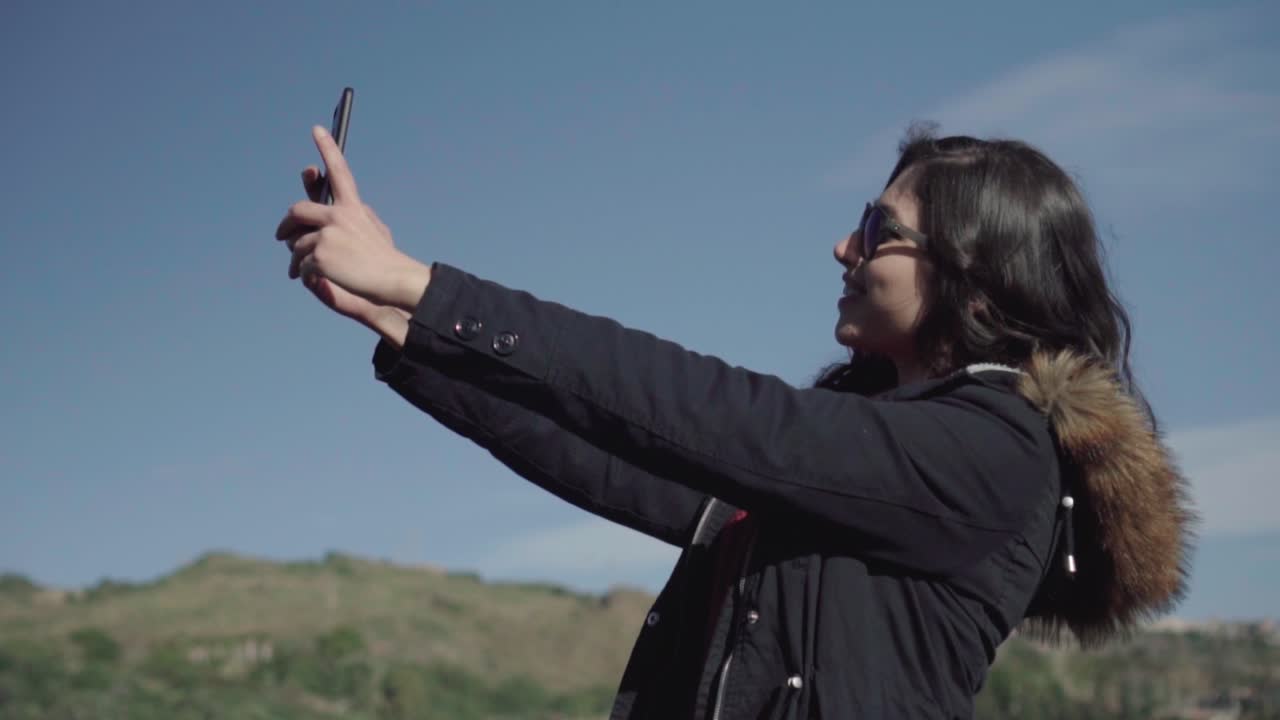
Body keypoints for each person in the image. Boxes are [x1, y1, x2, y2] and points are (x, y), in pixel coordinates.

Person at [274, 123, 1195, 719]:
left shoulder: (995, 452)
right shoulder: (868, 445)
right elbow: (625, 459)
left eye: (879, 231)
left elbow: (711, 414)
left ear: (972, 266)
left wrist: (424, 283)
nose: (844, 247)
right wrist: (404, 325)